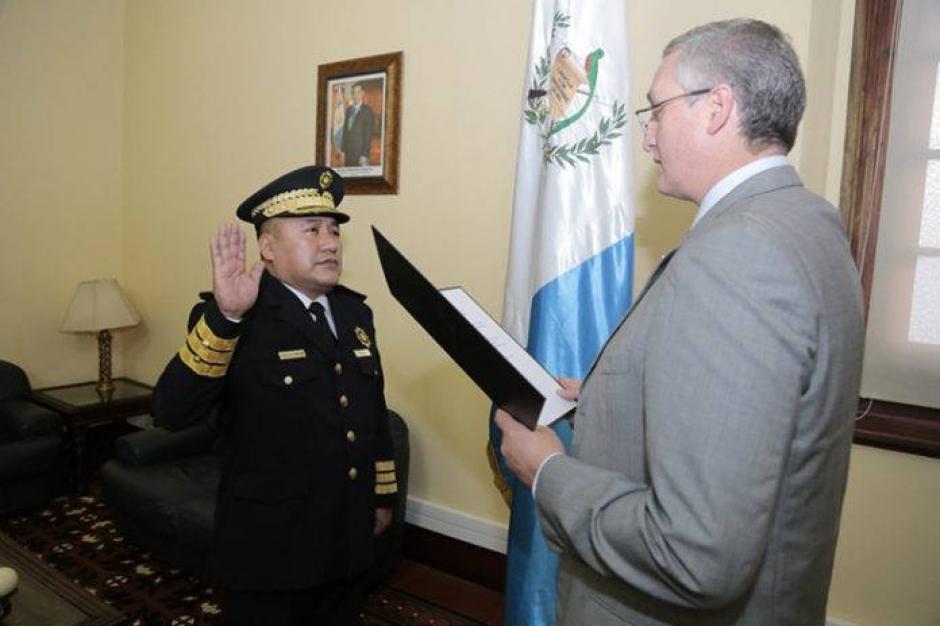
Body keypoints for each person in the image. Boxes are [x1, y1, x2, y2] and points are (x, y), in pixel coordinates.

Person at [495, 18, 864, 625]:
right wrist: (614, 394)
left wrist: (547, 473)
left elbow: (696, 554)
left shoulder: (737, 253)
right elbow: (758, 406)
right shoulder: (808, 223)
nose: (646, 137)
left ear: (717, 107)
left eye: (656, 111)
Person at [152, 165, 397, 625]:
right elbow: (172, 411)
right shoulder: (235, 314)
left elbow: (372, 415)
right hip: (270, 549)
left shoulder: (354, 313)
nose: (329, 242)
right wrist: (226, 317)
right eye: (311, 230)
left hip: (347, 539)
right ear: (267, 246)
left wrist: (381, 498)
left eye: (332, 230)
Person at [342, 83, 375, 167]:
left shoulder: (367, 111)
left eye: (358, 92)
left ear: (362, 93)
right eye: (353, 92)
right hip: (348, 154)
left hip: (360, 155)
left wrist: (364, 155)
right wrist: (343, 151)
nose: (355, 95)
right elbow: (345, 132)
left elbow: (368, 135)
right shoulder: (348, 110)